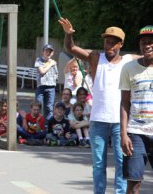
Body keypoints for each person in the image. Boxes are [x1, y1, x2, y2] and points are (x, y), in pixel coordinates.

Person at [58, 17, 140, 193]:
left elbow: (148, 56)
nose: (108, 46)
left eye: (112, 43)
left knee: (120, 162)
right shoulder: (95, 58)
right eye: (106, 42)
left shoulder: (128, 60)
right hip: (98, 120)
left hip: (120, 122)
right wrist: (68, 35)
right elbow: (70, 48)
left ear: (120, 45)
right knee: (98, 164)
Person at [120, 26, 153, 194]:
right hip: (136, 132)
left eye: (151, 42)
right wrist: (123, 134)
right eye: (143, 43)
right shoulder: (129, 68)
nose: (147, 46)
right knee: (134, 184)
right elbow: (124, 103)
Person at [35, 44, 58, 120]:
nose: (48, 53)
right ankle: (37, 124)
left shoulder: (54, 62)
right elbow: (42, 71)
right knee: (38, 105)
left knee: (49, 107)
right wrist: (50, 64)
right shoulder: (39, 60)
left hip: (51, 87)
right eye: (46, 51)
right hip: (41, 87)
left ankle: (47, 125)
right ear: (43, 52)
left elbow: (56, 74)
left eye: (50, 51)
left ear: (52, 53)